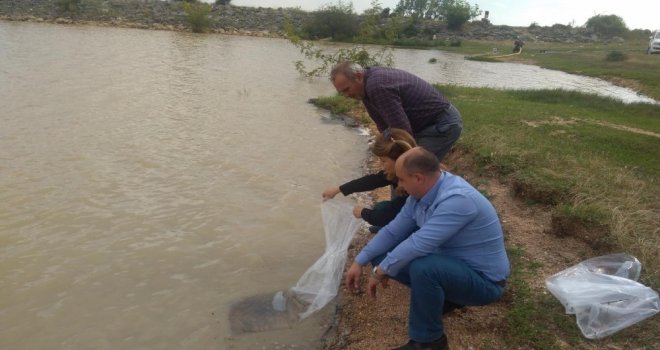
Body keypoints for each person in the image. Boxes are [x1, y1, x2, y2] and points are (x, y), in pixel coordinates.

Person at [344, 147, 510, 350]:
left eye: (402, 179)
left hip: (485, 282)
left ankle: (429, 341)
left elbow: (420, 243)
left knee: (425, 267)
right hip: (453, 266)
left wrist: (380, 272)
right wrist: (359, 261)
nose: (399, 186)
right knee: (380, 254)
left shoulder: (458, 200)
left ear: (418, 178)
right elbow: (392, 231)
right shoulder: (420, 196)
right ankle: (444, 298)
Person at [330, 61, 463, 162]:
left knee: (409, 168)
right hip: (426, 124)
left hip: (440, 126)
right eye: (342, 92)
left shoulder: (377, 86)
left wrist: (395, 158)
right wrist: (385, 149)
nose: (346, 95)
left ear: (358, 76)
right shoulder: (365, 87)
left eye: (347, 89)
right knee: (400, 169)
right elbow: (383, 125)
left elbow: (401, 130)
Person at [322, 128, 416, 231]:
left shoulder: (412, 186)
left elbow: (390, 213)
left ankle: (397, 230)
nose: (380, 164)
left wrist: (363, 213)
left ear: (400, 159)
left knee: (381, 212)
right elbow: (372, 181)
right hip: (409, 214)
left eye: (383, 161)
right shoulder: (403, 171)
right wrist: (339, 189)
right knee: (381, 207)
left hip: (420, 223)